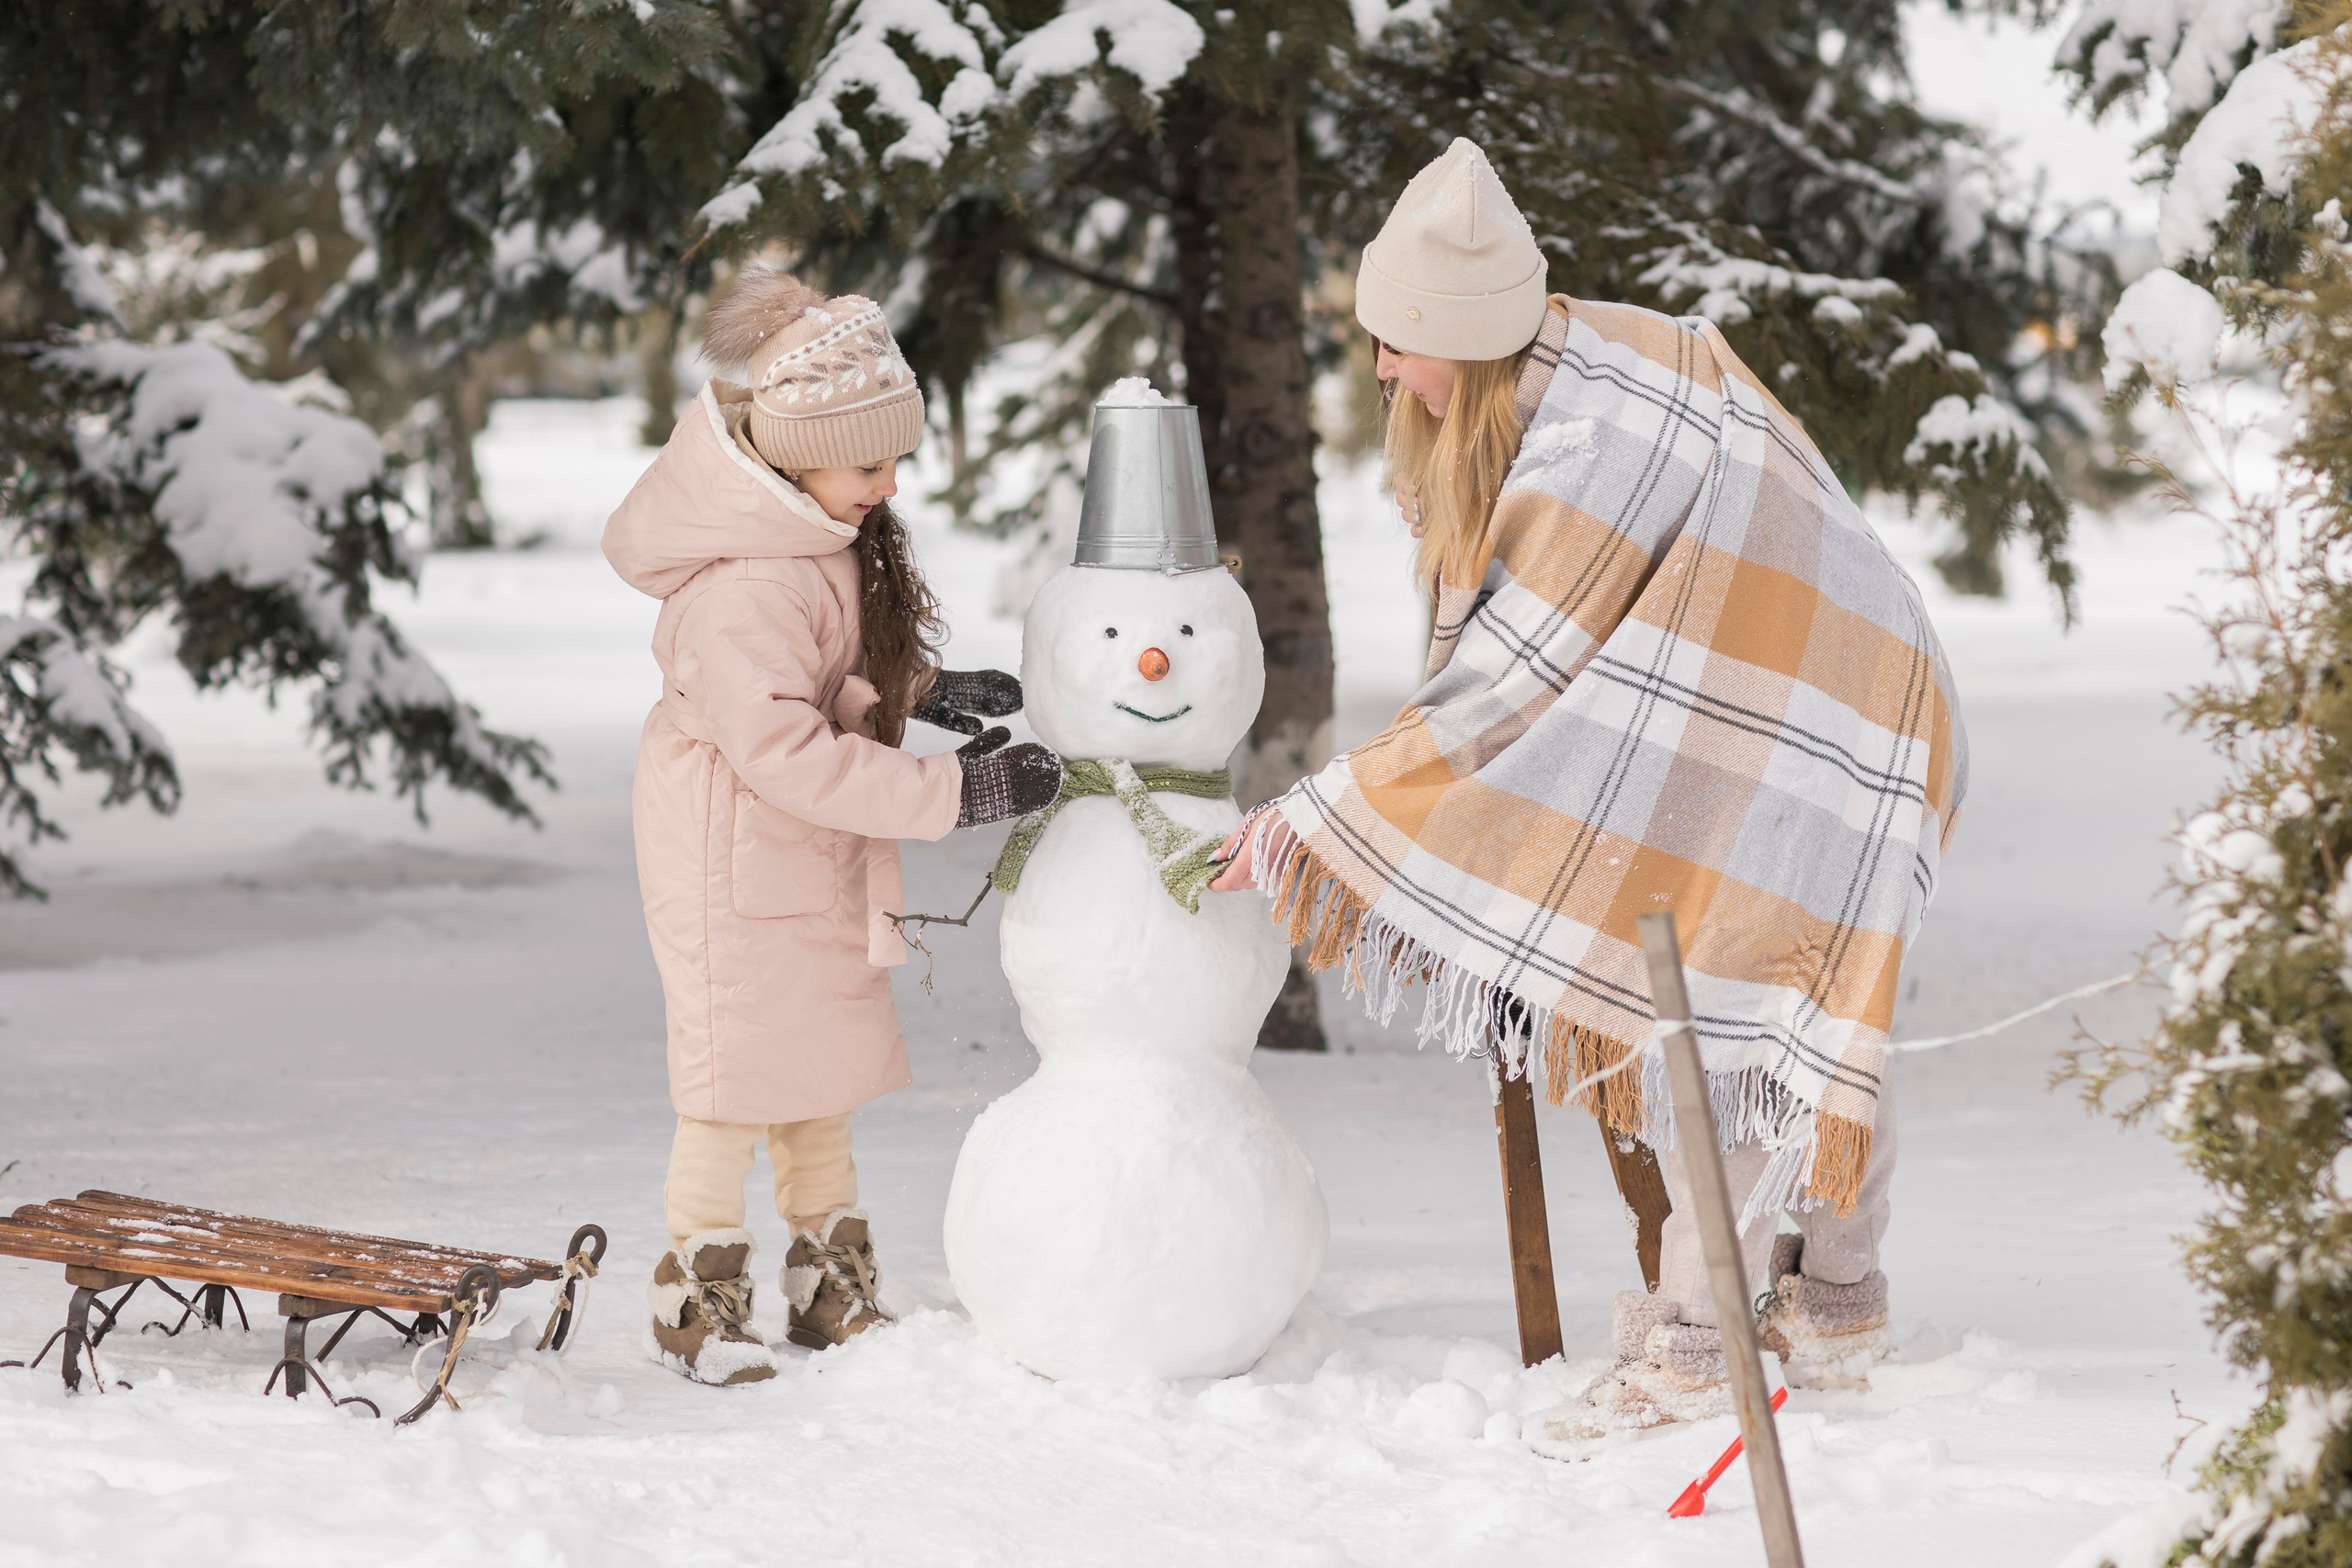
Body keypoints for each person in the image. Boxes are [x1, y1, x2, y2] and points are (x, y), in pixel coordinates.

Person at [1211, 140, 1966, 1443]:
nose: (1383, 368)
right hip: (1855, 681)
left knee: (1727, 1001)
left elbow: (1506, 689)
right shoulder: (1591, 358)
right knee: (1807, 985)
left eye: (1400, 342)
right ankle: (1837, 1299)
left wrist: (1317, 819)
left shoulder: (1586, 448)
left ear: (1461, 331)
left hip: (1835, 702)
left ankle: (1696, 1346)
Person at [603, 268, 1063, 1385]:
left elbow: (818, 690)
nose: (889, 484)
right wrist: (956, 793)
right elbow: (783, 753)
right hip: (732, 862)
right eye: (872, 463)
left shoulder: (805, 542)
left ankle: (826, 1279)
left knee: (816, 1066)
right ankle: (697, 1301)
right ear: (799, 452)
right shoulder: (743, 587)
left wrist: (907, 697)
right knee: (733, 1081)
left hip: (787, 854)